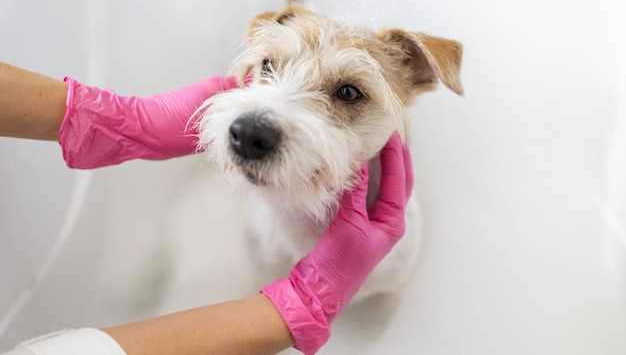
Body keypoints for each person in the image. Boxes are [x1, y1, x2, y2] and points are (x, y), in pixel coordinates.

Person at [0, 62, 414, 355]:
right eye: (268, 67)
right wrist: (300, 309)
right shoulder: (261, 229)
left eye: (347, 93)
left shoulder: (402, 240)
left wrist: (124, 120)